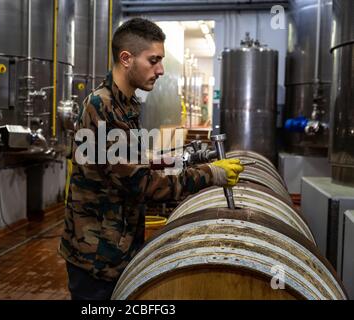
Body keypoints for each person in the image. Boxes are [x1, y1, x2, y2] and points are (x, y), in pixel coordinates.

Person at [59, 17, 244, 300]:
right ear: (126, 58)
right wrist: (211, 174)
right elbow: (141, 183)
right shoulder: (102, 107)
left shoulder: (126, 104)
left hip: (117, 245)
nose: (160, 70)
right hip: (97, 255)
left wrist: (181, 160)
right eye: (153, 60)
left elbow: (133, 162)